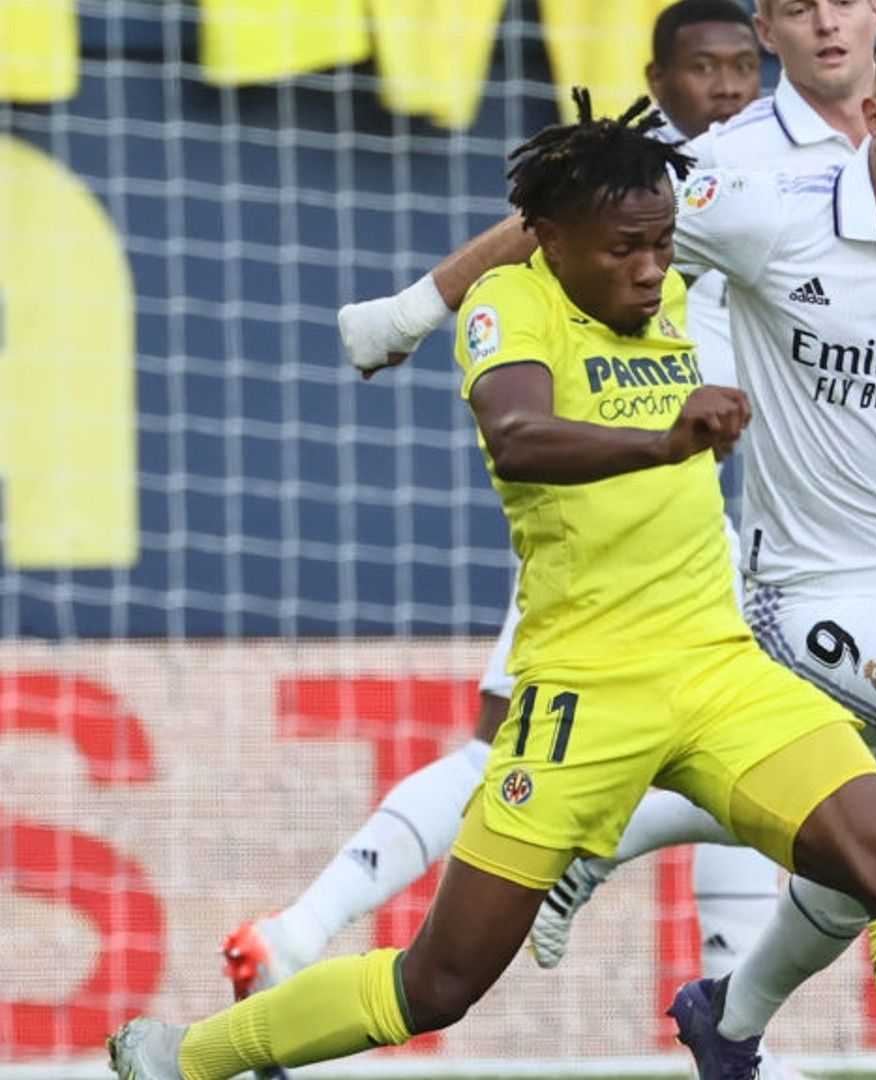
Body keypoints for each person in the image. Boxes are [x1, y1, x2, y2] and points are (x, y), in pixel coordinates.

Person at [107, 93, 876, 1080]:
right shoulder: (513, 306)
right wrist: (661, 440)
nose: (652, 268)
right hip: (584, 696)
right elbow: (518, 436)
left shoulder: (671, 288)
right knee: (437, 983)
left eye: (663, 244)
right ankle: (189, 1057)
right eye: (625, 249)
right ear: (547, 237)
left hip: (719, 671)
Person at [346, 6, 876, 1080]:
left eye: (846, 0)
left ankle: (721, 1004)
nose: (827, 19)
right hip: (679, 518)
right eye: (798, 4)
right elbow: (559, 219)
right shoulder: (722, 164)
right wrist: (416, 308)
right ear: (770, 27)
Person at [226, 0, 783, 1018]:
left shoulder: (809, 162)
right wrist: (410, 312)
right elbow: (529, 234)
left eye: (742, 66)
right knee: (744, 754)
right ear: (658, 83)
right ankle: (309, 934)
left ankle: (306, 929)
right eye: (706, 67)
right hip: (616, 510)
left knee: (802, 761)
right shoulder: (652, 181)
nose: (728, 86)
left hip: (729, 514)